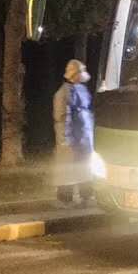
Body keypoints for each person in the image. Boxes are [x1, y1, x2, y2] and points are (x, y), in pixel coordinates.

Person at [53, 58, 96, 205]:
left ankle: (86, 194)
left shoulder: (82, 90)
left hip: (84, 137)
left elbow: (88, 112)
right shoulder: (62, 93)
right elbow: (61, 118)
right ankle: (65, 198)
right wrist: (65, 139)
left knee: (85, 167)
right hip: (70, 138)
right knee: (67, 169)